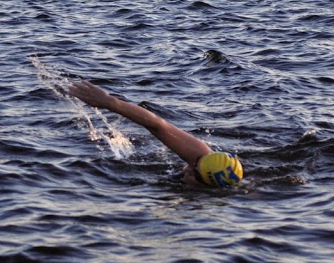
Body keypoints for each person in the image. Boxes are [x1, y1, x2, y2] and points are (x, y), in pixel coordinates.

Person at [67, 80, 243, 188]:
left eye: (194, 171)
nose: (189, 167)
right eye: (196, 162)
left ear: (205, 185)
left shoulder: (194, 203)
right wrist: (110, 102)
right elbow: (157, 125)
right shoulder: (201, 157)